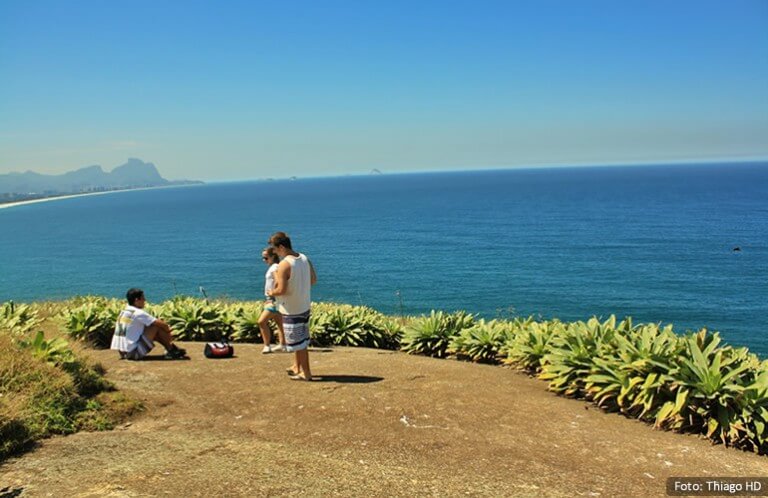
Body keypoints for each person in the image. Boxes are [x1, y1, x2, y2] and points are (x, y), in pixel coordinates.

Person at [266, 231, 317, 381]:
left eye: (275, 249)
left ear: (281, 247)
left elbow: (281, 290)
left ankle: (306, 373)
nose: (275, 253)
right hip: (304, 305)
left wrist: (271, 291)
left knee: (299, 344)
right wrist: (299, 286)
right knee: (300, 340)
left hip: (291, 309)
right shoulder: (304, 258)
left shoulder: (284, 265)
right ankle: (296, 367)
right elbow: (313, 280)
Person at [110, 288, 187, 360]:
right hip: (133, 354)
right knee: (155, 326)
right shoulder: (138, 313)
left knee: (151, 326)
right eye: (143, 298)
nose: (145, 300)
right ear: (137, 300)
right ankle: (171, 349)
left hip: (123, 353)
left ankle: (170, 349)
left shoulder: (124, 312)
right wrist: (168, 332)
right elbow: (161, 324)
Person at [258, 246, 285, 353]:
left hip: (273, 299)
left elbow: (278, 281)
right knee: (279, 323)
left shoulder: (274, 267)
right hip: (277, 299)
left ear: (273, 257)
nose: (264, 260)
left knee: (261, 322)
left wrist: (273, 293)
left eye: (266, 258)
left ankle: (267, 345)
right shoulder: (277, 266)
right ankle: (283, 344)